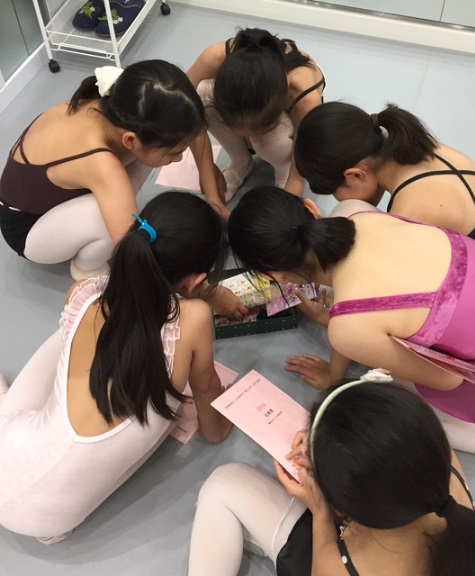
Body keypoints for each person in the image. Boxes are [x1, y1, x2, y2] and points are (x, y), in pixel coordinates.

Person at [227, 186, 475, 493]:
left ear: (274, 275)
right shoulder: (356, 212)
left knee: (405, 399)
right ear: (311, 208)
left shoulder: (348, 327)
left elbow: (447, 379)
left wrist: (356, 363)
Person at [0, 191, 232, 543]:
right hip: (48, 522)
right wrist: (221, 428)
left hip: (12, 453)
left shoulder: (83, 293)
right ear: (196, 282)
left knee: (69, 335)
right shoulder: (194, 318)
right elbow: (212, 421)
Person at [188, 380, 475, 576]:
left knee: (223, 483)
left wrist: (319, 509)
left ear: (343, 507)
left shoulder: (342, 566)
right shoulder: (439, 459)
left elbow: (325, 561)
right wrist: (330, 443)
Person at [0, 60, 206, 280]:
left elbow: (188, 127)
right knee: (104, 221)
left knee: (149, 157)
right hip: (25, 229)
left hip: (45, 199)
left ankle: (94, 223)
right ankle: (88, 269)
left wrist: (210, 185)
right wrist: (190, 282)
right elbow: (131, 250)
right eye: (175, 153)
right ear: (130, 140)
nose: (180, 158)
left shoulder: (123, 103)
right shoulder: (101, 162)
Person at [294, 101, 475, 252]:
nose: (338, 199)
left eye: (333, 191)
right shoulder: (423, 147)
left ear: (356, 174)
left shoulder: (410, 209)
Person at [186, 27, 325, 217]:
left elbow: (301, 163)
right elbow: (184, 110)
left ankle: (281, 170)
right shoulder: (214, 57)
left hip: (290, 130)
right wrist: (207, 172)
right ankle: (240, 162)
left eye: (253, 132)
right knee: (201, 94)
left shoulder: (306, 96)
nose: (248, 138)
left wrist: (287, 204)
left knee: (275, 145)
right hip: (260, 112)